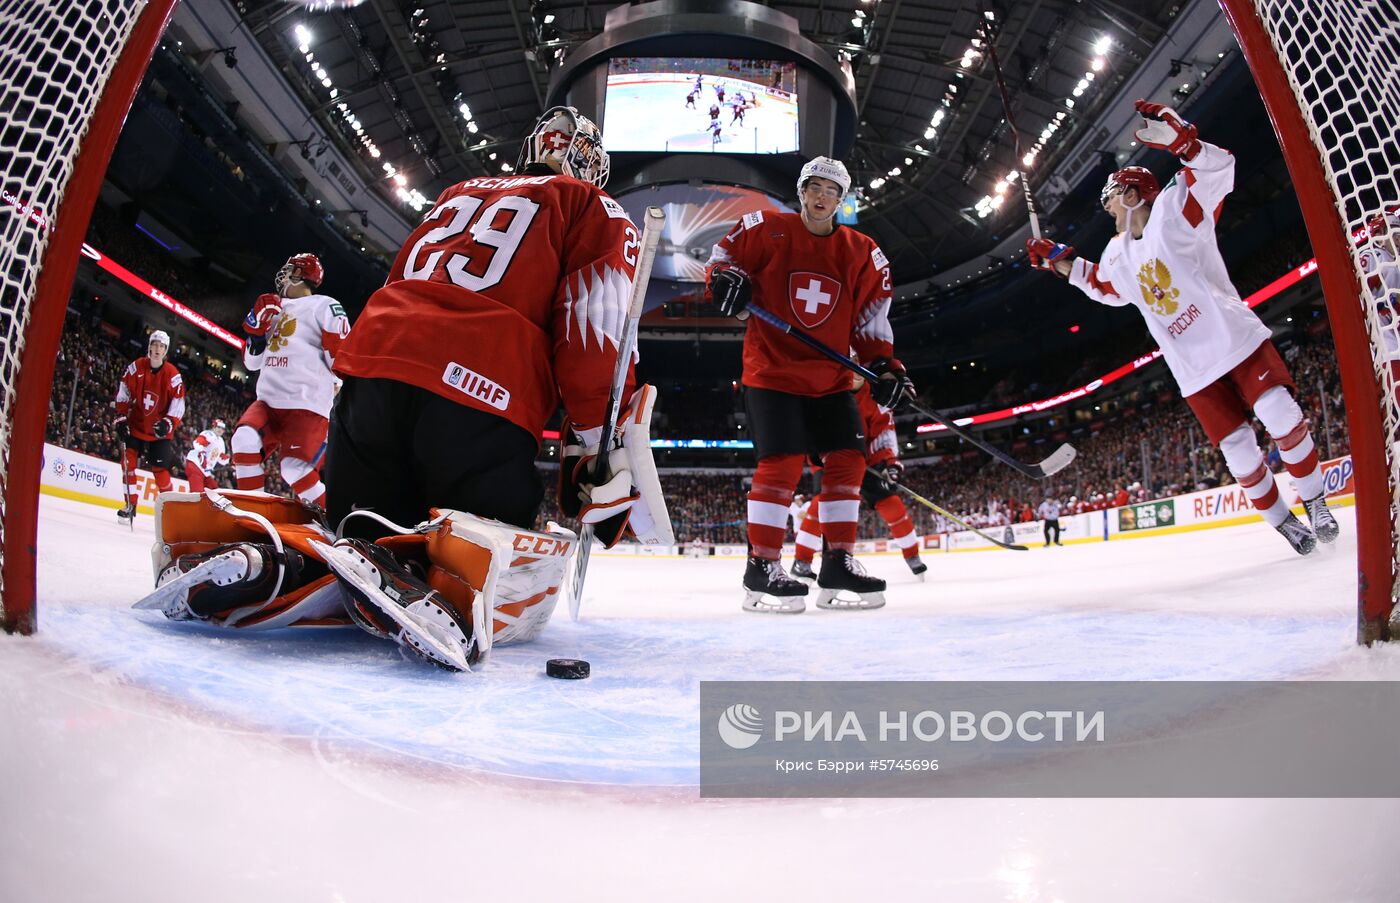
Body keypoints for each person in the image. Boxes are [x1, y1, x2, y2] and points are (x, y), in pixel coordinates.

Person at [136, 106, 671, 673]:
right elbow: (593, 328)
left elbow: (401, 282)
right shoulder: (593, 205)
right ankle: (442, 581)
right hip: (480, 392)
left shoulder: (459, 192)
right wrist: (595, 441)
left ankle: (278, 561)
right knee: (490, 549)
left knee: (358, 528)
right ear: (591, 164)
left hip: (372, 382)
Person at [1028, 100, 1338, 555]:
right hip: (1193, 370)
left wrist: (1185, 144)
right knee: (1238, 452)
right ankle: (1285, 525)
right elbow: (1104, 286)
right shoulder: (1118, 254)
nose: (1108, 210)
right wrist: (1060, 262)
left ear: (1132, 194)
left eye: (1111, 198)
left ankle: (1315, 503)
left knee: (1279, 414)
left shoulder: (1175, 211)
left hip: (1236, 340)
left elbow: (1219, 172)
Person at [706, 155, 913, 613]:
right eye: (814, 187)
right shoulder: (765, 228)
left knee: (847, 461)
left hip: (832, 379)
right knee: (781, 463)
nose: (821, 197)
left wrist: (885, 365)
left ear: (841, 199)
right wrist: (724, 282)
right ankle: (760, 567)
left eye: (831, 191)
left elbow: (871, 318)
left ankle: (837, 561)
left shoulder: (862, 252)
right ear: (802, 192)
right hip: (772, 371)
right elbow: (721, 261)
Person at [231, 253, 349, 507]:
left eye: (289, 270)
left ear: (301, 275)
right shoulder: (273, 307)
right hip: (269, 401)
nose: (283, 275)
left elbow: (340, 356)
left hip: (306, 404)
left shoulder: (325, 305)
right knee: (243, 440)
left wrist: (343, 386)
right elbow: (252, 363)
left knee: (294, 469)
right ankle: (251, 513)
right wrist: (258, 333)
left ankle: (332, 520)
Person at [791, 373, 927, 579]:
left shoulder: (877, 397)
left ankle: (912, 556)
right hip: (832, 457)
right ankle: (801, 561)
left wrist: (889, 465)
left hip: (868, 460)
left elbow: (884, 433)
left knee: (891, 503)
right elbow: (814, 430)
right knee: (821, 505)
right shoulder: (827, 392)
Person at [113, 330, 185, 521]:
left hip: (159, 432)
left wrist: (168, 423)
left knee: (160, 471)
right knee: (127, 463)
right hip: (137, 425)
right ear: (149, 346)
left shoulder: (172, 375)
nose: (157, 349)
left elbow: (178, 404)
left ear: (165, 350)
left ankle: (171, 510)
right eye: (154, 344)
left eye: (161, 346)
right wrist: (121, 417)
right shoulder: (136, 367)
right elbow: (124, 392)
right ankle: (130, 505)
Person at [184, 418, 229, 493]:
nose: (220, 430)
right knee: (197, 494)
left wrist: (228, 460)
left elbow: (220, 456)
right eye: (218, 427)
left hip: (206, 471)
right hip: (196, 466)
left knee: (215, 493)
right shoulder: (209, 434)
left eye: (222, 429)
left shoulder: (221, 441)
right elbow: (198, 442)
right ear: (214, 427)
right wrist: (201, 454)